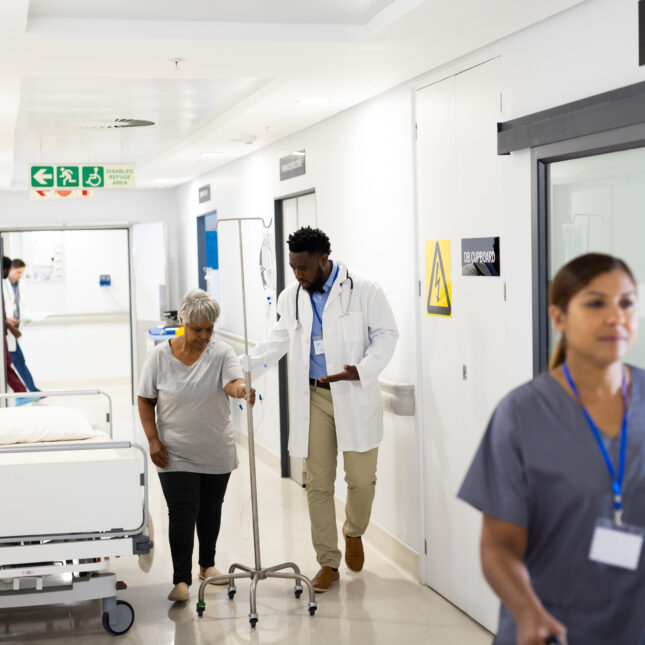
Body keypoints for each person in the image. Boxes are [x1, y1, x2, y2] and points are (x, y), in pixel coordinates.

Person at [458, 253, 645, 645]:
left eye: (627, 302)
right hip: (548, 629)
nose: (616, 316)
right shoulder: (522, 415)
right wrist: (527, 612)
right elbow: (498, 547)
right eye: (596, 303)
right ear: (558, 318)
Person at [249, 227, 398, 592]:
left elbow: (387, 334)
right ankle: (328, 562)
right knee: (316, 483)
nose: (297, 275)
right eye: (292, 267)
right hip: (313, 398)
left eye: (302, 267)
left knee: (361, 481)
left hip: (352, 392)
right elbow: (277, 340)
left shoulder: (364, 289)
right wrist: (238, 369)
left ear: (323, 260)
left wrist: (361, 369)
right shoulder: (291, 297)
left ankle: (354, 531)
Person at [137, 289, 255, 602]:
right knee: (182, 511)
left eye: (209, 329)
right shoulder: (159, 357)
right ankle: (180, 580)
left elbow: (232, 382)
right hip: (173, 450)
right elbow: (146, 400)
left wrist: (242, 388)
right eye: (196, 329)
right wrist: (152, 439)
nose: (203, 336)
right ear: (183, 323)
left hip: (216, 447)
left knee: (210, 509)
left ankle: (206, 565)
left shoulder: (222, 352)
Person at [3, 258, 39, 392]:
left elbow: (22, 305)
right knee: (17, 363)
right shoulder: (4, 283)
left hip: (15, 328)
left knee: (16, 363)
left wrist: (26, 317)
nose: (20, 275)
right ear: (10, 269)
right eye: (18, 272)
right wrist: (6, 319)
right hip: (8, 330)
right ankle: (28, 391)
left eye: (22, 273)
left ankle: (28, 391)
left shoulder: (20, 285)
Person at [2, 256, 27, 397]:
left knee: (11, 362)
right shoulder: (4, 284)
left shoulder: (11, 284)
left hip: (8, 331)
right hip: (7, 330)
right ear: (6, 269)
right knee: (10, 363)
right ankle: (23, 393)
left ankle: (23, 392)